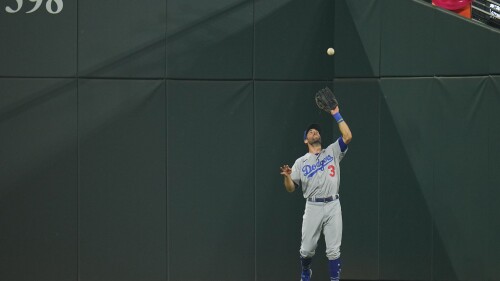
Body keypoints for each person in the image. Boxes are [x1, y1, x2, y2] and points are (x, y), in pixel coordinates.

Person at [280, 106, 352, 281]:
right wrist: (288, 177)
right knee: (306, 249)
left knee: (334, 251)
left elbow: (347, 136)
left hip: (333, 204)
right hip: (313, 206)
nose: (314, 133)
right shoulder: (300, 162)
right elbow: (290, 189)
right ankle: (306, 271)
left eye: (316, 131)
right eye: (310, 132)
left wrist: (336, 113)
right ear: (306, 140)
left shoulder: (332, 151)